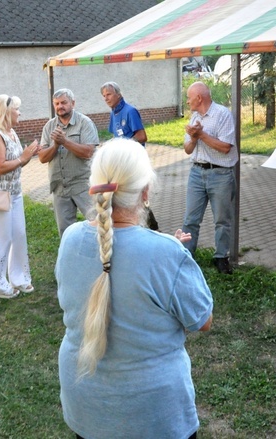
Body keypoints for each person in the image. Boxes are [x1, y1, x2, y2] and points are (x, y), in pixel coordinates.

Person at [56, 138, 213, 439]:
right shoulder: (166, 253)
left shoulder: (71, 238)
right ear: (145, 192)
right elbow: (202, 320)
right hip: (152, 415)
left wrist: (166, 254)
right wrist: (172, 257)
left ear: (95, 187)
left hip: (87, 404)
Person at [0, 94, 40, 298]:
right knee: (2, 240)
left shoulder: (11, 132)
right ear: (6, 112)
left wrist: (28, 155)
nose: (20, 112)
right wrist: (23, 157)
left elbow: (18, 163)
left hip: (14, 192)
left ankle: (19, 277)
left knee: (19, 235)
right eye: (17, 109)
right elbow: (0, 166)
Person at [182, 81, 238, 274]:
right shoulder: (193, 117)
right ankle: (186, 255)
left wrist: (202, 134)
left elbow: (225, 147)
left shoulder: (222, 114)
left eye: (189, 97)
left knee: (222, 219)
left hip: (221, 174)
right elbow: (188, 149)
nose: (187, 101)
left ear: (199, 98)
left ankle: (221, 257)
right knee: (190, 219)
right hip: (197, 173)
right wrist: (194, 137)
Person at [39, 88, 99, 236]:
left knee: (98, 224)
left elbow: (89, 152)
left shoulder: (85, 123)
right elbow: (42, 157)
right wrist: (56, 145)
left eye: (64, 102)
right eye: (57, 103)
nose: (60, 106)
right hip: (59, 187)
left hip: (82, 185)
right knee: (65, 232)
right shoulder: (49, 127)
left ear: (73, 103)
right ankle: (71, 256)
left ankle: (103, 256)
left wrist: (65, 141)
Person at [101, 81, 159, 230]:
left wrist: (124, 147)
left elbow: (142, 136)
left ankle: (152, 227)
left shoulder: (130, 111)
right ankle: (130, 225)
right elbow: (116, 135)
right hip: (122, 162)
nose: (106, 98)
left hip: (134, 161)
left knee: (138, 195)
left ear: (118, 94)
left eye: (109, 94)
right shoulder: (113, 113)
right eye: (103, 96)